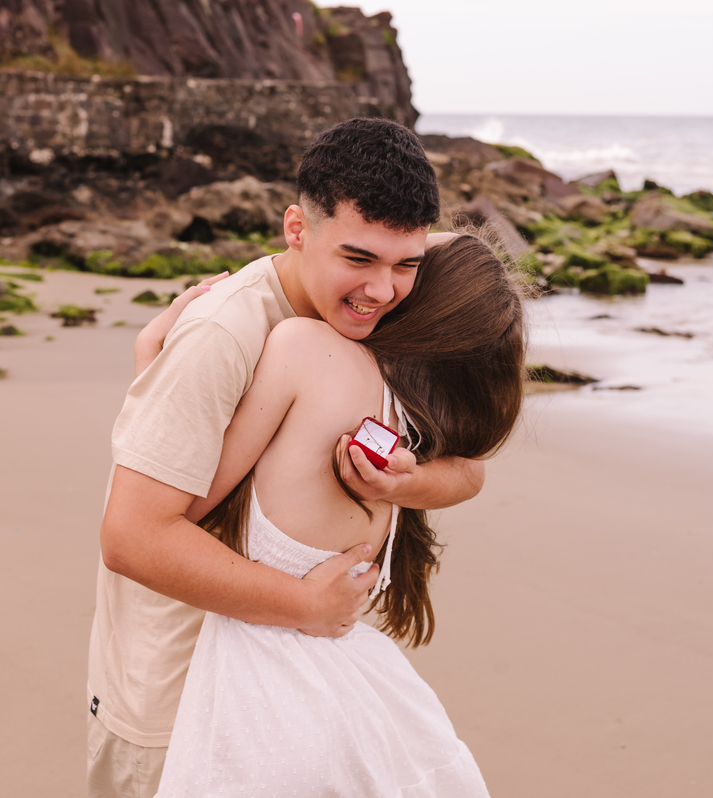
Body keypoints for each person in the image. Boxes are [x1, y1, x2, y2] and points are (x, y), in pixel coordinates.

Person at [88, 118, 486, 798]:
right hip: (177, 701)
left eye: (406, 264)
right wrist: (303, 605)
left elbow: (470, 467)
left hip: (300, 699)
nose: (383, 289)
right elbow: (131, 537)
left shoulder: (383, 314)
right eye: (358, 259)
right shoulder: (225, 333)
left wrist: (408, 479)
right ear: (297, 230)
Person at [153, 234, 526, 795]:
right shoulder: (411, 434)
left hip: (265, 688)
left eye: (409, 265)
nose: (384, 281)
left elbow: (189, 504)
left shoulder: (304, 349)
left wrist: (153, 359)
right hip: (353, 682)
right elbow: (471, 472)